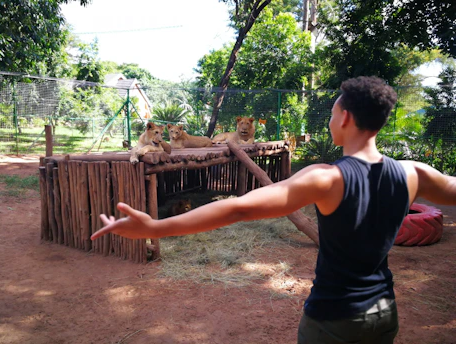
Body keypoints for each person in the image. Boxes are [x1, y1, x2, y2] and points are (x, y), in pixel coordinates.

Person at [91, 76, 456, 343]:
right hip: (384, 313)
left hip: (334, 319)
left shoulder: (326, 179)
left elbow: (238, 210)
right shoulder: (413, 173)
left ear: (344, 118)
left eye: (332, 113)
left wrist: (154, 228)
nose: (330, 121)